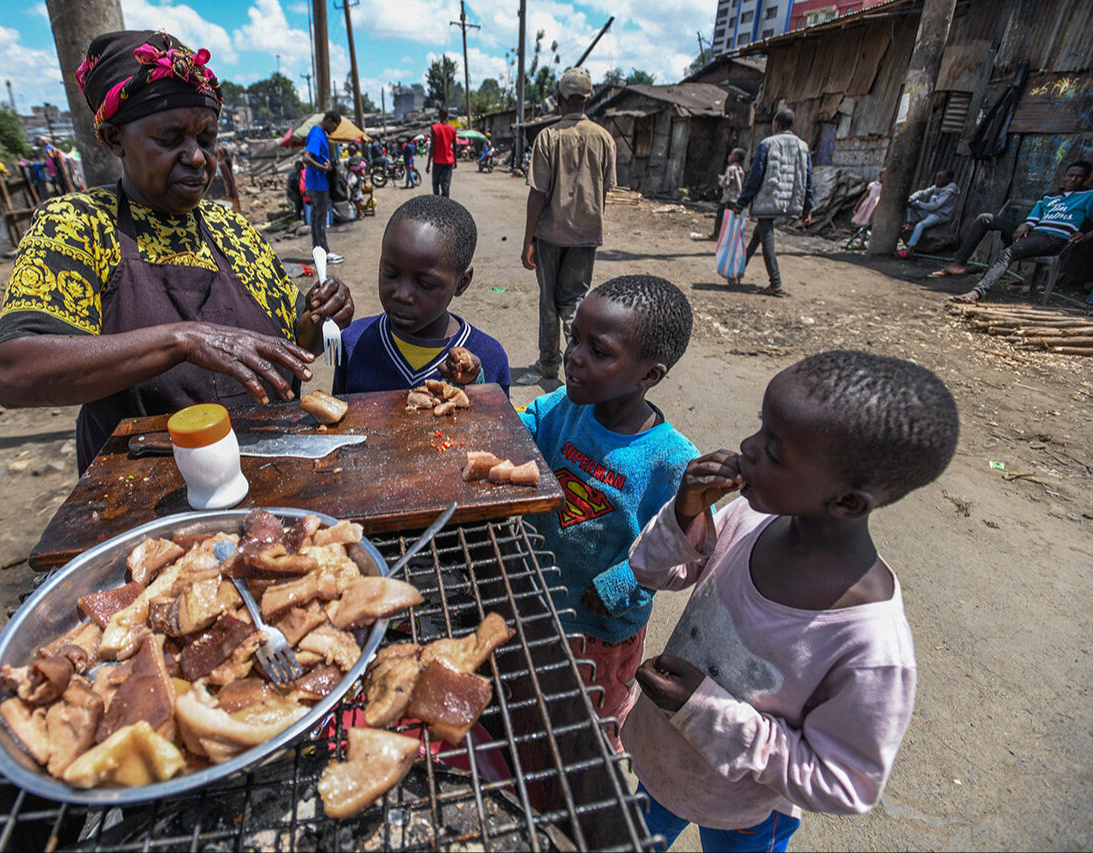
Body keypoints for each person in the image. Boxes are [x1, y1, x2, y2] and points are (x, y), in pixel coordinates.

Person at [624, 350, 959, 852]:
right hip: (661, 766)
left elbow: (845, 782)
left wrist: (704, 712)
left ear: (847, 501)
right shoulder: (749, 519)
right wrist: (683, 514)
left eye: (775, 451)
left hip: (747, 812)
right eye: (761, 429)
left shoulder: (869, 646)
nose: (747, 447)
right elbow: (651, 571)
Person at [0, 30, 354, 474]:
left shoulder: (232, 229)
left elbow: (297, 346)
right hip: (143, 494)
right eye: (170, 138)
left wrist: (322, 316)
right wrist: (180, 340)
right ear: (113, 138)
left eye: (206, 137)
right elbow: (16, 372)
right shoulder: (79, 225)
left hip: (266, 475)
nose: (198, 157)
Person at [520, 275, 697, 751]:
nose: (574, 356)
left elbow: (687, 554)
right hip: (537, 597)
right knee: (529, 701)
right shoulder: (564, 406)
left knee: (582, 728)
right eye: (573, 338)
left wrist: (625, 582)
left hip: (600, 628)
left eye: (598, 351)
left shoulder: (671, 461)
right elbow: (520, 427)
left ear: (649, 375)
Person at [333, 195, 509, 395]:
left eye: (425, 284)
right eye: (391, 274)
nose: (402, 295)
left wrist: (472, 384)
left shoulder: (488, 356)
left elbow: (497, 423)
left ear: (462, 283)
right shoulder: (354, 343)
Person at [519, 66, 617, 385]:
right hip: (586, 235)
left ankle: (549, 364)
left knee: (549, 299)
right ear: (587, 99)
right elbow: (606, 190)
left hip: (549, 233)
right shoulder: (604, 138)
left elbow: (538, 193)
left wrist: (528, 241)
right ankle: (581, 363)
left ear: (560, 100)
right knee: (575, 300)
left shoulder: (548, 137)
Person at [942, 161, 1093, 303]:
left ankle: (977, 292)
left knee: (1008, 253)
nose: (1074, 179)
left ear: (1086, 179)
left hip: (1051, 239)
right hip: (1034, 233)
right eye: (1071, 175)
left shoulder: (1088, 196)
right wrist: (1026, 224)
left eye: (1079, 177)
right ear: (1064, 176)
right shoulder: (1049, 196)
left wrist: (1086, 235)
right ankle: (959, 264)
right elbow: (1034, 217)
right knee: (985, 218)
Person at [735, 108, 813, 297]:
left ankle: (776, 283)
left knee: (766, 237)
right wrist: (807, 207)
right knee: (759, 234)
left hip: (768, 199)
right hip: (791, 200)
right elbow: (808, 177)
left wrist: (742, 202)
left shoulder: (768, 143)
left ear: (776, 123)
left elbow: (756, 176)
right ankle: (737, 271)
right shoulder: (803, 146)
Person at [304, 110, 344, 265]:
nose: (334, 130)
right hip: (318, 183)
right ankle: (324, 252)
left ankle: (318, 252)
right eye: (334, 126)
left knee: (316, 219)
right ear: (329, 121)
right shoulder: (317, 133)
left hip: (316, 183)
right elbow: (306, 158)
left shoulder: (319, 133)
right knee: (320, 219)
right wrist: (324, 168)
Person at [903, 169, 959, 250]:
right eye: (937, 178)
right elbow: (923, 193)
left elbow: (935, 206)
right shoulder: (938, 186)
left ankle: (910, 247)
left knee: (920, 225)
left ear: (948, 179)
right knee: (911, 205)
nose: (937, 180)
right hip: (930, 212)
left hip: (939, 215)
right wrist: (912, 198)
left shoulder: (949, 192)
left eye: (940, 178)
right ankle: (911, 224)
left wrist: (919, 203)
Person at [708, 147, 747, 240]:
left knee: (721, 216)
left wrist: (720, 180)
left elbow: (726, 183)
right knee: (732, 218)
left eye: (732, 154)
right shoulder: (741, 169)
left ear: (736, 157)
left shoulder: (730, 169)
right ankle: (729, 235)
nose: (729, 156)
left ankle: (717, 234)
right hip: (737, 197)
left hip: (728, 197)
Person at [426, 106, 457, 197]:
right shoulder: (452, 129)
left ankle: (437, 203)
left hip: (437, 161)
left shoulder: (435, 128)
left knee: (435, 182)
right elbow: (454, 147)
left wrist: (428, 163)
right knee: (446, 184)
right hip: (448, 161)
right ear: (447, 115)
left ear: (439, 115)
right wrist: (455, 161)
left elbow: (432, 146)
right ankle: (446, 204)